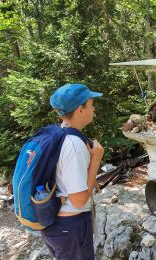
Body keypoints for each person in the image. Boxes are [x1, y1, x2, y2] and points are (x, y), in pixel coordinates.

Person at [41, 83, 104, 260]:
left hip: (55, 225)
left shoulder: (57, 134)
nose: (93, 109)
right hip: (70, 227)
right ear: (80, 110)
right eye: (91, 105)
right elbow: (79, 200)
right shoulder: (74, 145)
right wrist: (95, 161)